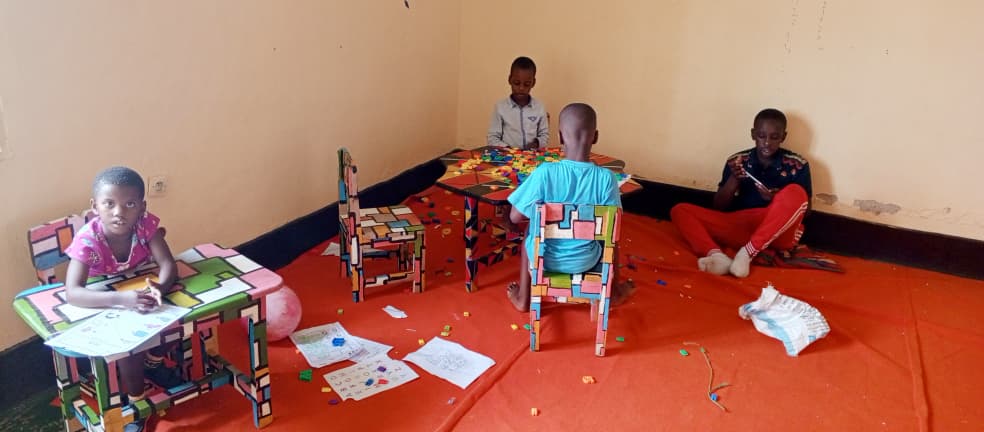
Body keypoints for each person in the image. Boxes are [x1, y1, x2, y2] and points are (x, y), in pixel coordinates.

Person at [64, 166, 181, 432]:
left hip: (139, 289)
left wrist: (160, 287)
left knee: (180, 315)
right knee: (130, 343)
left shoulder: (145, 225)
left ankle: (153, 364)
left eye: (129, 204)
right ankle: (136, 403)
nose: (119, 212)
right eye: (109, 204)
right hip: (101, 299)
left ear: (142, 207)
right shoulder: (88, 240)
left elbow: (168, 266)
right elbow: (73, 292)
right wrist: (121, 300)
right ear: (95, 207)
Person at [504, 103, 631, 312]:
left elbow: (515, 217)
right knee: (610, 234)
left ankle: (523, 299)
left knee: (531, 229)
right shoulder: (607, 179)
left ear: (561, 137)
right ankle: (613, 292)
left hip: (544, 260)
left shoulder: (545, 172)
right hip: (588, 261)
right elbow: (613, 227)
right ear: (596, 136)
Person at [670, 108, 812, 278]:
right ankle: (717, 257)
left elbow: (806, 210)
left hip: (779, 232)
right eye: (761, 136)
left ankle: (747, 253)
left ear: (783, 137)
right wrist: (734, 180)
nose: (767, 142)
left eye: (774, 137)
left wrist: (777, 199)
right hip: (742, 225)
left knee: (795, 192)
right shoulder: (737, 161)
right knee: (680, 210)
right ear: (753, 134)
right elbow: (719, 206)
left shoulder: (797, 164)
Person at [487, 56, 550, 150]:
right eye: (516, 83)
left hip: (532, 158)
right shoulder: (500, 107)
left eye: (526, 84)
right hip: (507, 158)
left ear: (533, 83)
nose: (521, 88)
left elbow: (544, 135)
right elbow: (492, 138)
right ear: (510, 80)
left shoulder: (539, 107)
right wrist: (508, 150)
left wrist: (536, 143)